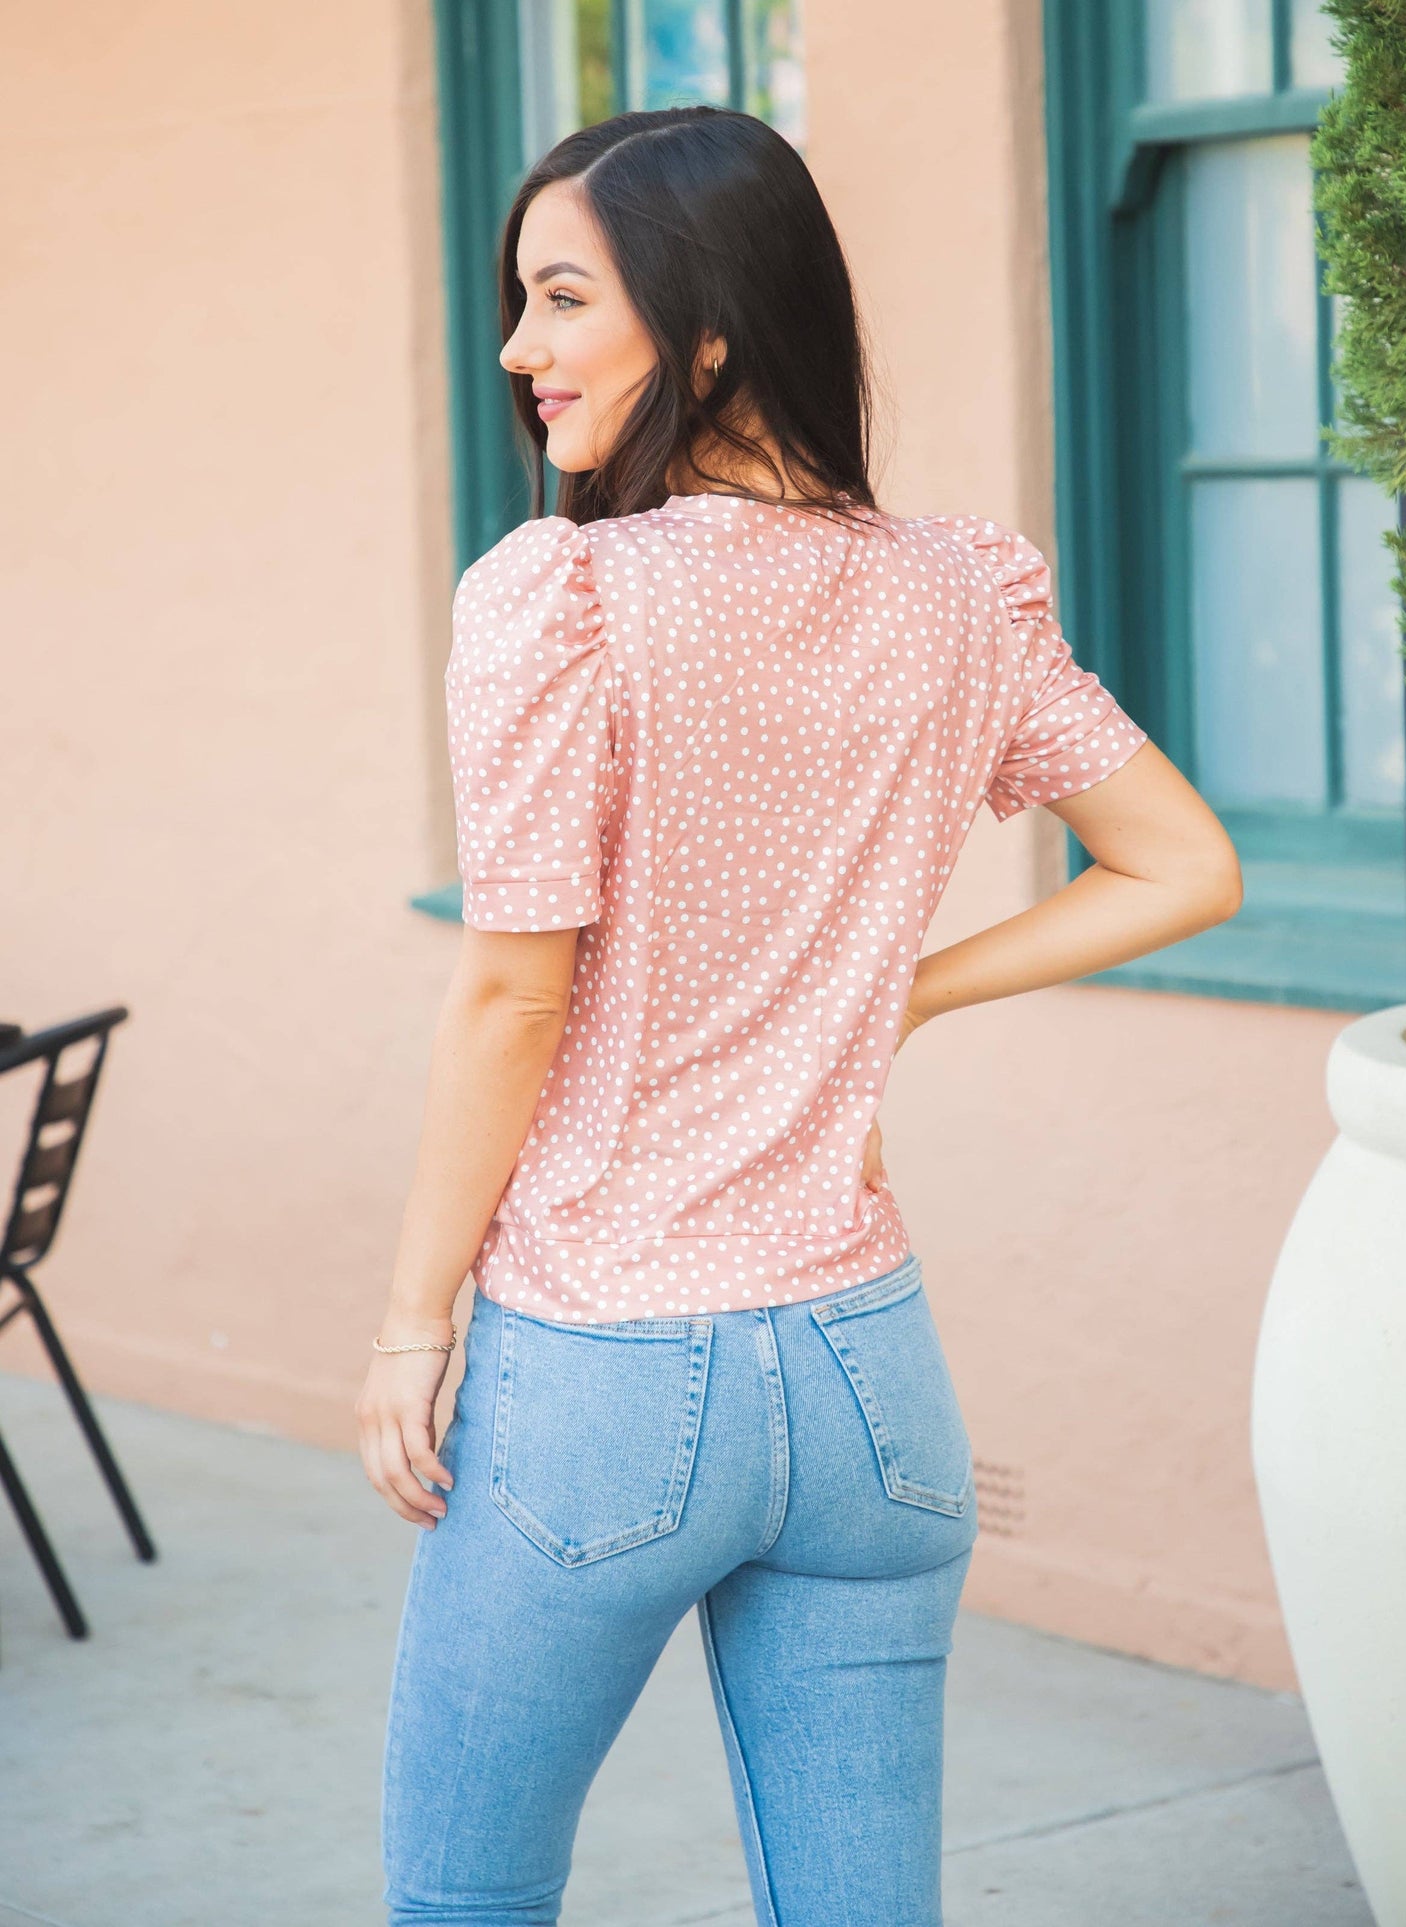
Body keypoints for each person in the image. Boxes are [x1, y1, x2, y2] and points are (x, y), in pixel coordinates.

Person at [355, 104, 1242, 1927]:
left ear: (702, 328)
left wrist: (403, 1327)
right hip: (866, 1380)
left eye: (559, 298)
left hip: (598, 1361)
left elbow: (515, 990)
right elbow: (1181, 869)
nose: (518, 348)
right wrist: (894, 996)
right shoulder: (954, 593)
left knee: (466, 1903)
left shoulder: (564, 599)